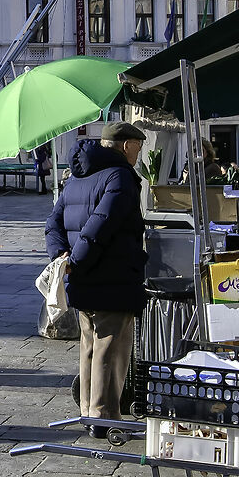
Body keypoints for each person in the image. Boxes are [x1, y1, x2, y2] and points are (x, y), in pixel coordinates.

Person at [46, 121, 148, 441]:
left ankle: (90, 411)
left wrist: (62, 258)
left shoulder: (78, 176)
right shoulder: (119, 176)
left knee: (90, 344)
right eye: (138, 145)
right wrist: (75, 260)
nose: (140, 152)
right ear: (124, 145)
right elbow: (100, 226)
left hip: (85, 277)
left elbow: (54, 222)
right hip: (111, 275)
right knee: (111, 346)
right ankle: (105, 417)